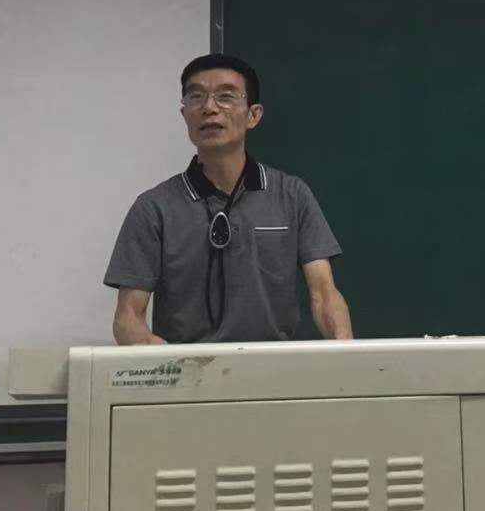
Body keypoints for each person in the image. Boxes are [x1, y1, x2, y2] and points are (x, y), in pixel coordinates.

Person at [105, 54, 353, 344]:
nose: (209, 108)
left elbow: (324, 294)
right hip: (189, 368)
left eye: (226, 96)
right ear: (185, 115)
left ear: (253, 115)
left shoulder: (292, 195)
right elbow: (128, 317)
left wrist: (345, 349)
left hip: (274, 366)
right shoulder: (153, 208)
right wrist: (163, 357)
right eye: (196, 97)